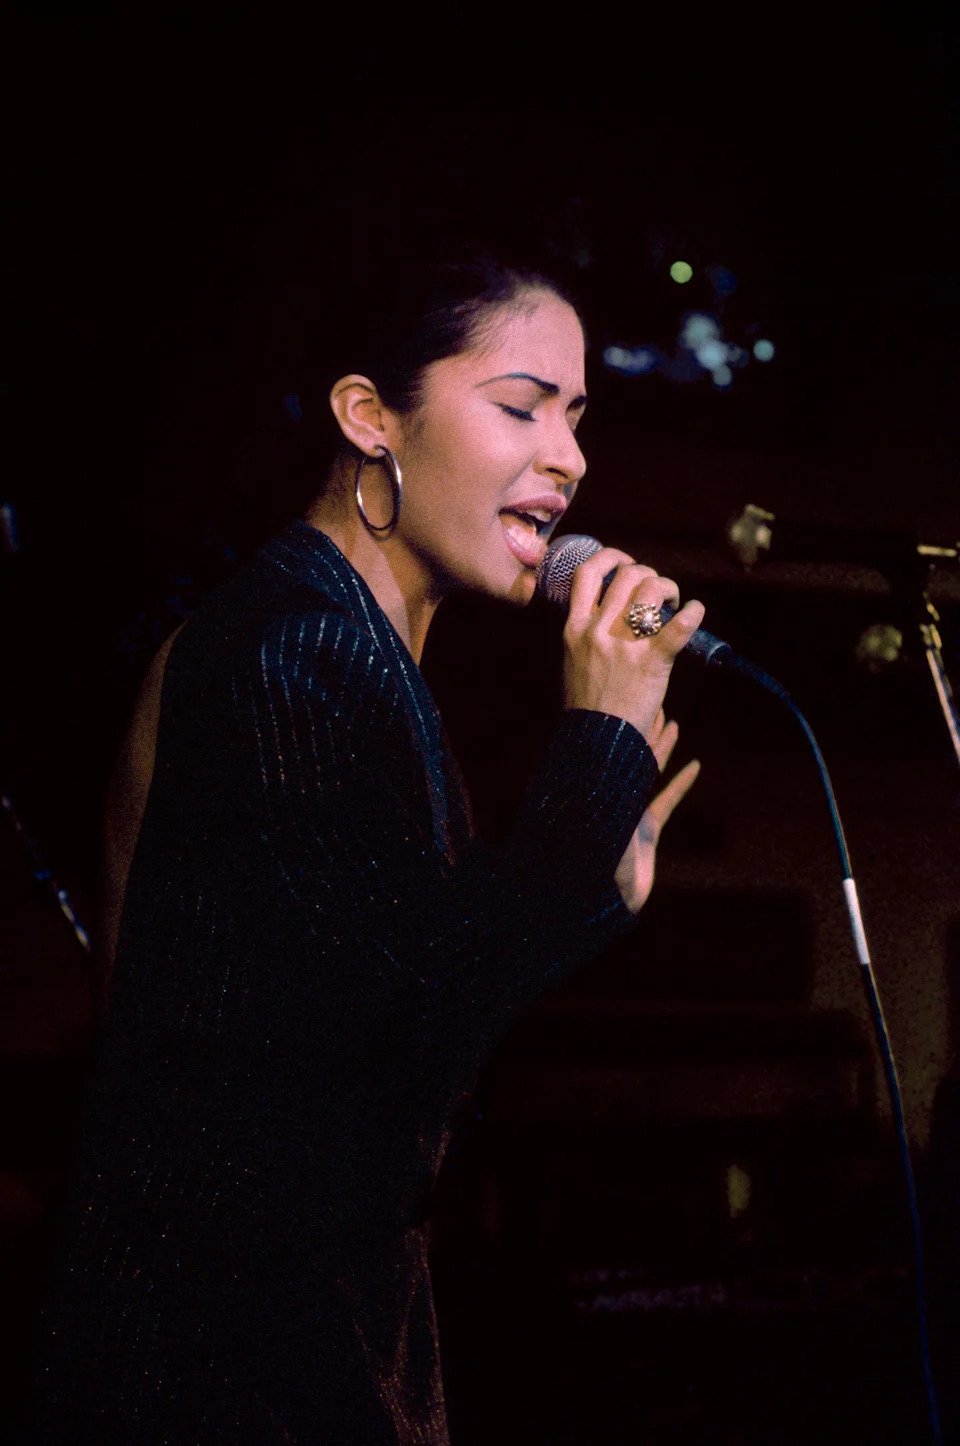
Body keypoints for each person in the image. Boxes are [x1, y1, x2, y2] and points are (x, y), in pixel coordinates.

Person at [30, 245, 704, 1443]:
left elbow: (406, 992)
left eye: (577, 417)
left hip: (299, 1333)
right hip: (228, 1362)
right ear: (368, 417)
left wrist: (593, 883)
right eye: (522, 407)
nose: (570, 457)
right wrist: (596, 753)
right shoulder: (300, 649)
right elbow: (399, 1042)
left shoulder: (352, 651)